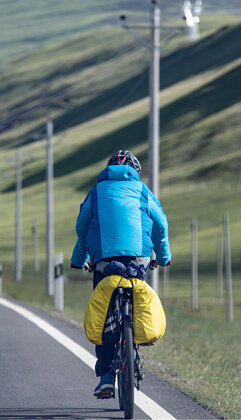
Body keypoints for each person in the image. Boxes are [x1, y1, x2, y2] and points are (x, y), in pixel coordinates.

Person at [70, 150, 171, 398]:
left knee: (105, 311)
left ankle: (106, 374)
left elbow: (82, 229)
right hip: (139, 258)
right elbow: (160, 225)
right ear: (135, 171)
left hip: (104, 260)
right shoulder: (143, 191)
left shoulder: (96, 191)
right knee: (135, 296)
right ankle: (132, 344)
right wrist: (164, 256)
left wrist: (79, 260)